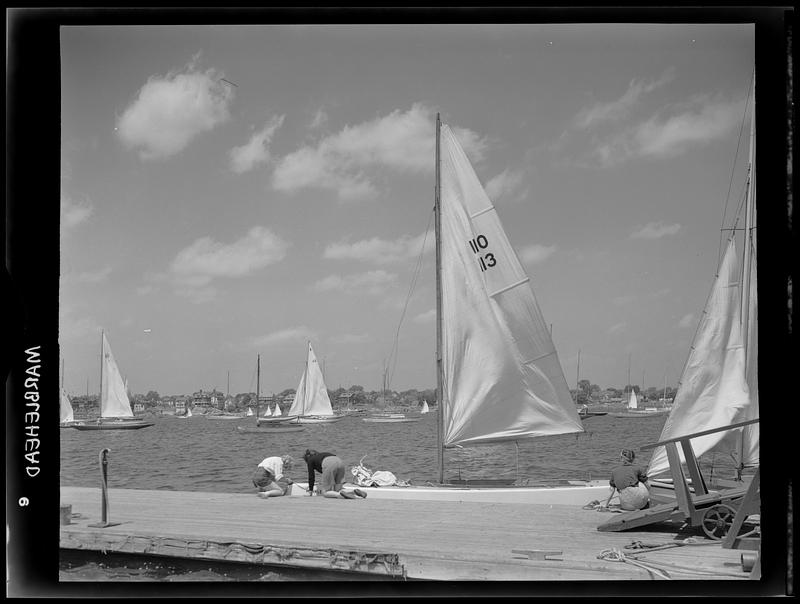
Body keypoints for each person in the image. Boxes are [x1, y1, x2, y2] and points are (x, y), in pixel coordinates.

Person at [302, 449, 367, 499]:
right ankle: (354, 491)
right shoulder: (322, 455)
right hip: (339, 462)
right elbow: (328, 472)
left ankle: (339, 495)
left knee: (326, 492)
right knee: (338, 489)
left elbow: (311, 476)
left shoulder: (310, 460)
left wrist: (310, 491)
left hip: (329, 463)